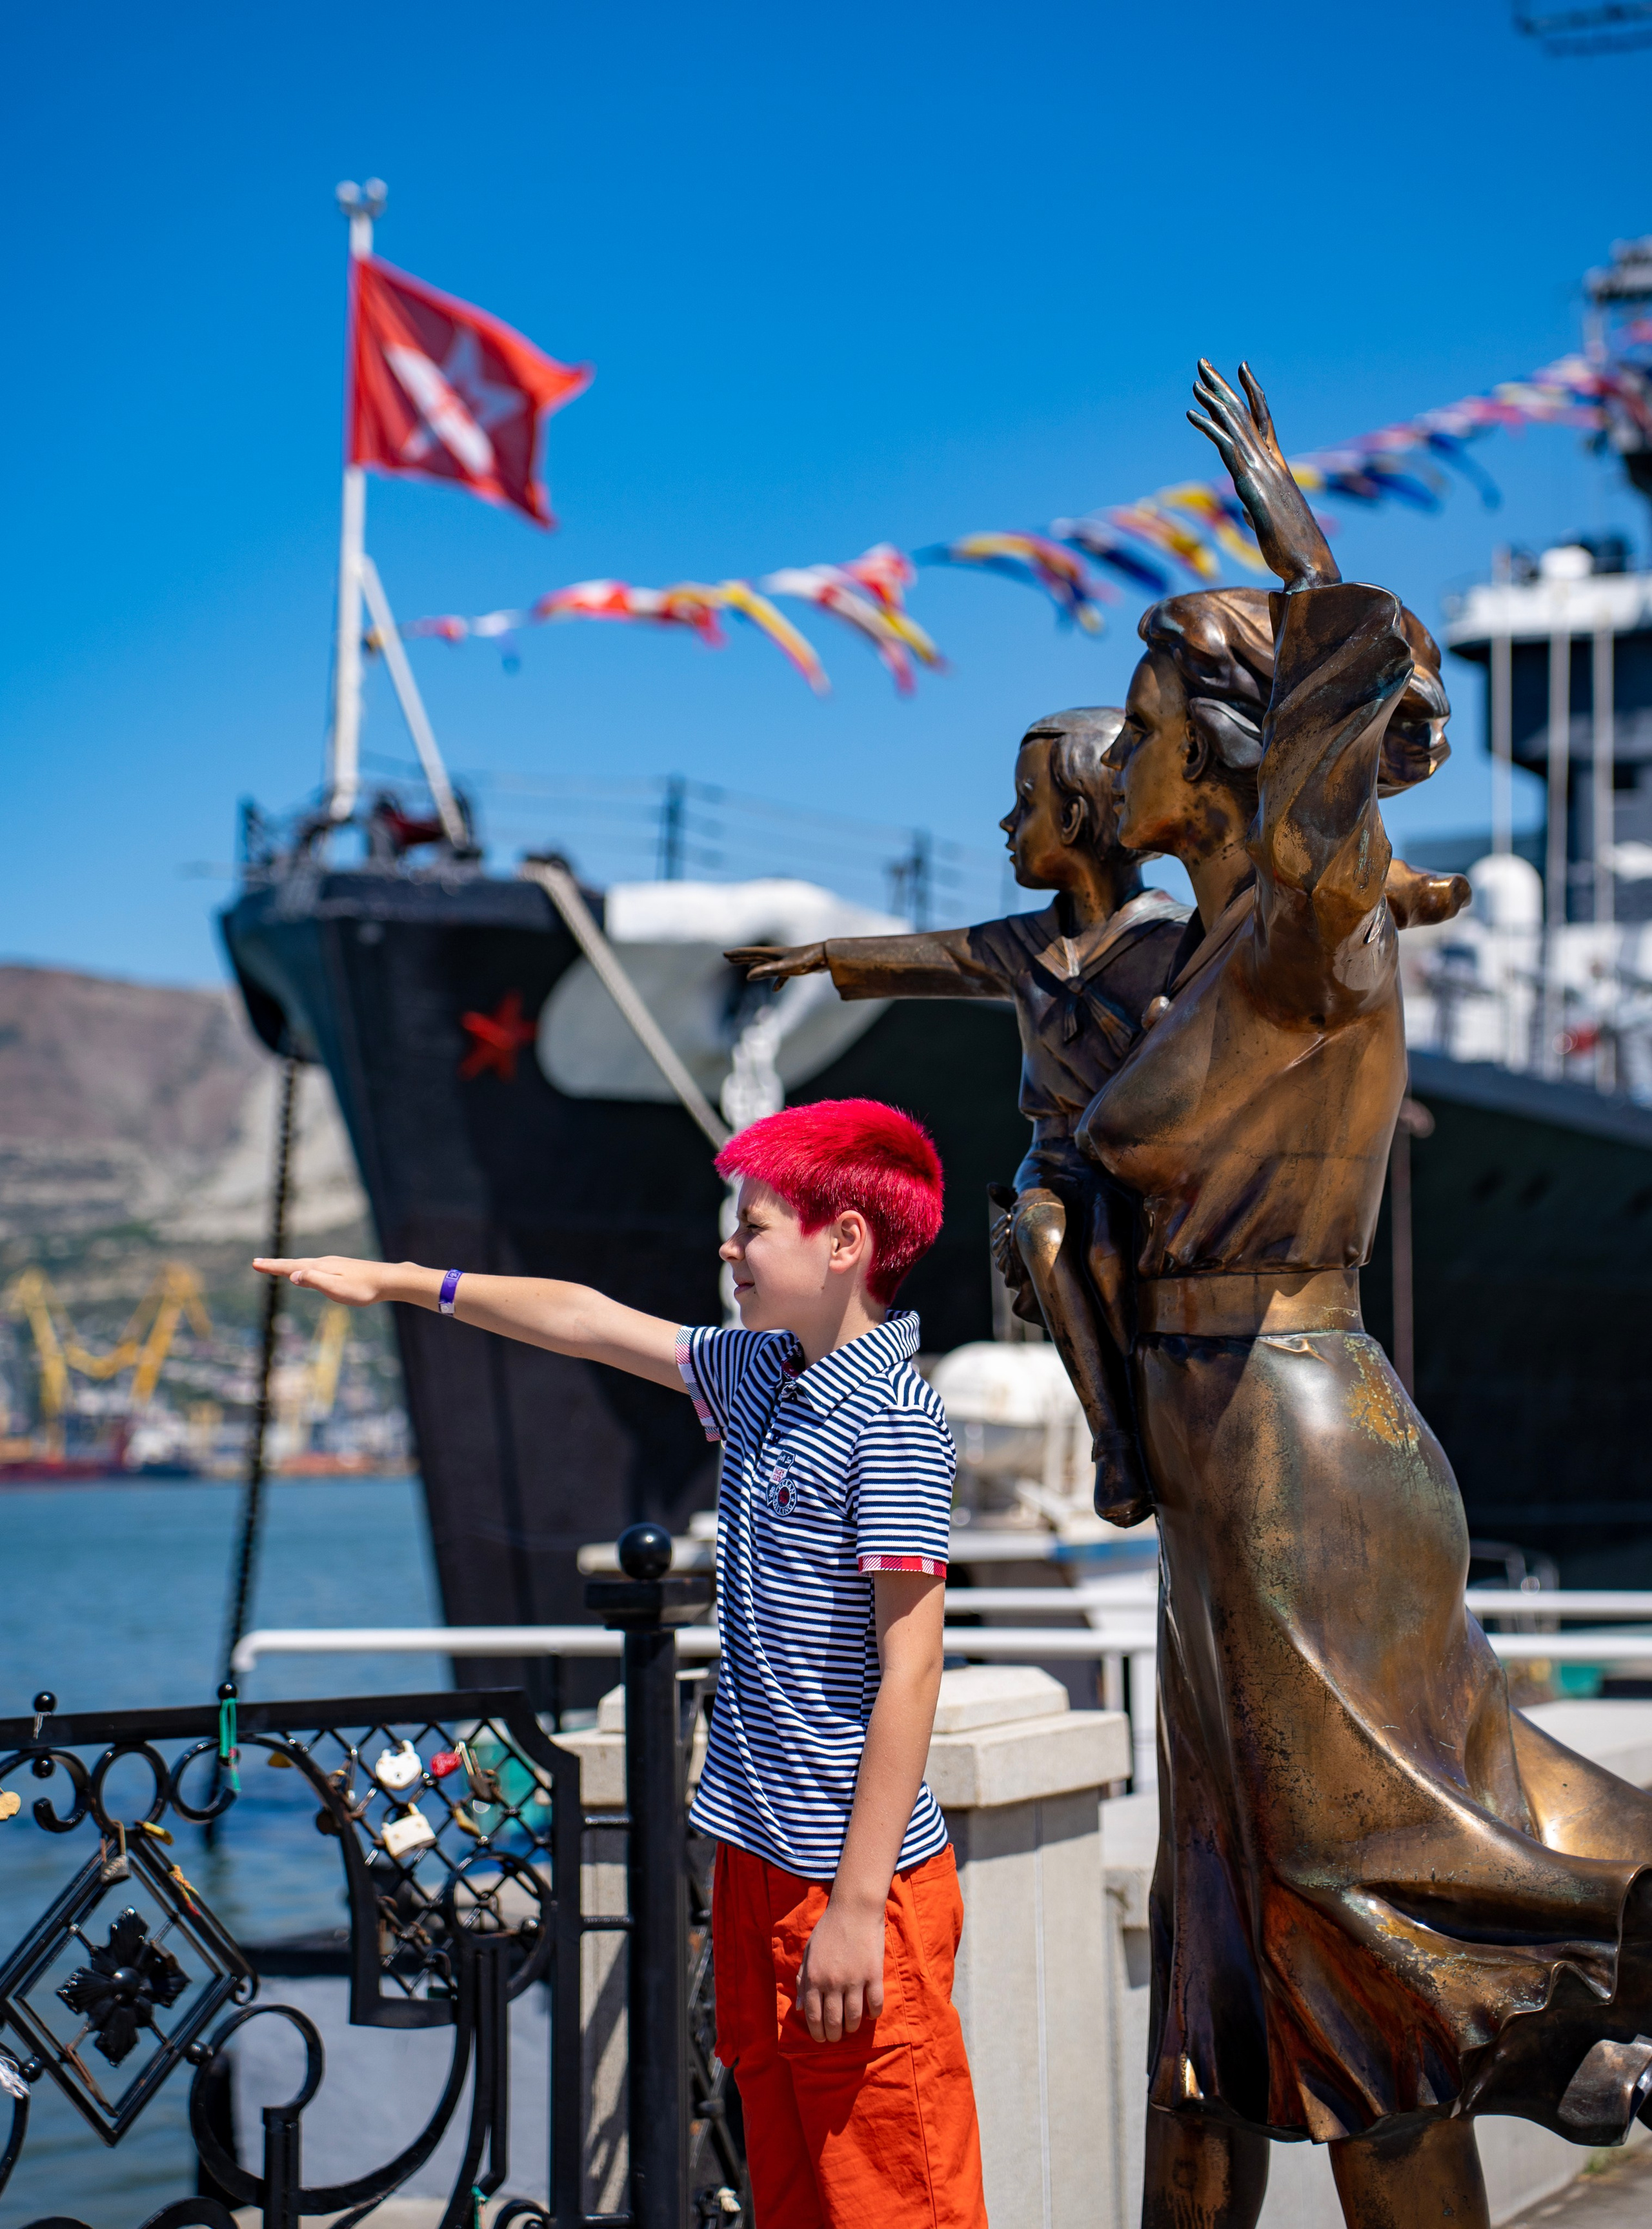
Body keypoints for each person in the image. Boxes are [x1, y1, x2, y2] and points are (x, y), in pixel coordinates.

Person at [1076, 361, 1652, 2229]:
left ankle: (1568, 2008)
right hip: (1206, 1469)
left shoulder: (1314, 925)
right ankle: (1543, 2030)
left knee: (1352, 1908)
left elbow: (1342, 704)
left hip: (1300, 1448)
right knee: (1230, 1941)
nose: (1116, 753)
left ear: (1236, 748)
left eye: (1152, 718)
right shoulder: (1177, 961)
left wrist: (1286, 529)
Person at [254, 1096, 988, 2229]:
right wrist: (401, 1279)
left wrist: (853, 1902)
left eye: (755, 1224)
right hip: (756, 1861)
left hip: (854, 1879)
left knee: (896, 2193)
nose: (729, 1246)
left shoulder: (890, 1418)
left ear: (844, 1241)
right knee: (790, 2186)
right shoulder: (760, 1376)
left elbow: (914, 1666)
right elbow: (589, 1321)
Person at [728, 710, 1191, 1524]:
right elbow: (938, 955)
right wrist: (825, 956)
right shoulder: (1024, 947)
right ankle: (1112, 1435)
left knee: (1120, 1246)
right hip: (1054, 1161)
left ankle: (1151, 1406)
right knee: (1047, 1233)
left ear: (1077, 820)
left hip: (1142, 1165)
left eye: (1025, 805)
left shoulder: (1179, 943)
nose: (1007, 826)